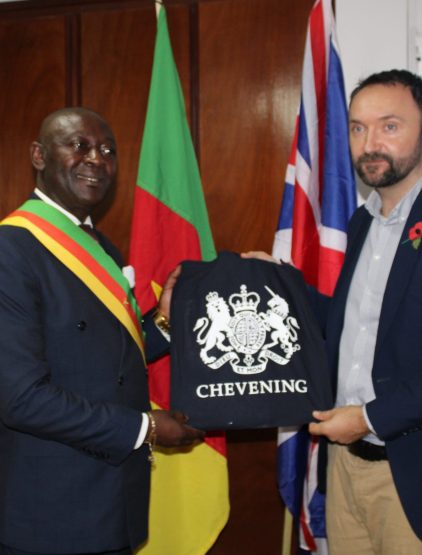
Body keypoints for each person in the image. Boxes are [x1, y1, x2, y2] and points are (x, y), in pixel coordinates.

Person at [0, 107, 204, 555]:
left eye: (108, 151)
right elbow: (21, 398)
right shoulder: (11, 249)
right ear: (38, 156)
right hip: (52, 516)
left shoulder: (102, 246)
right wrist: (145, 428)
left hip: (114, 504)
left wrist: (165, 321)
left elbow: (101, 354)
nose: (96, 159)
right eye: (79, 146)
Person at [245, 69, 422, 554]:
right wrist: (282, 285)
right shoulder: (363, 222)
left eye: (390, 126)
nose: (370, 144)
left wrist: (369, 418)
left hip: (409, 477)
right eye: (358, 128)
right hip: (344, 465)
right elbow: (348, 326)